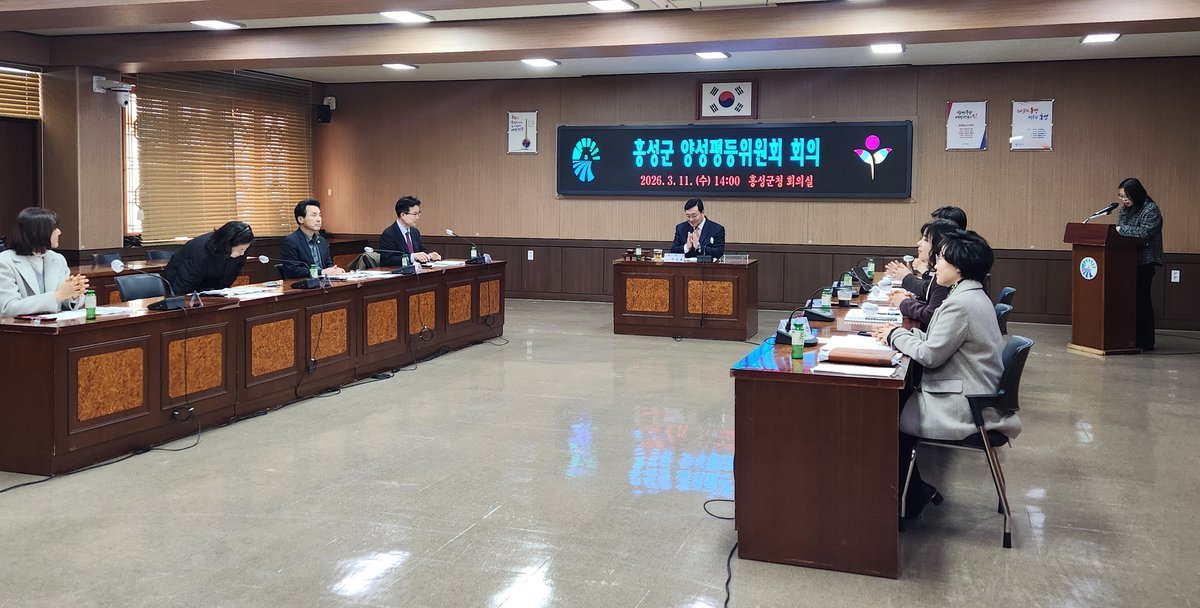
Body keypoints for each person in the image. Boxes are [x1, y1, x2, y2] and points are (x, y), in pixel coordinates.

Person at [873, 230, 1017, 519]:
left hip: (968, 404)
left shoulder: (961, 304)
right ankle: (914, 492)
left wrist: (894, 335)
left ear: (959, 267)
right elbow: (937, 341)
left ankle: (910, 499)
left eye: (941, 259)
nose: (935, 265)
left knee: (884, 416)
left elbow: (930, 355)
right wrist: (903, 333)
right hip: (973, 393)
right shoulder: (969, 295)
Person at [0, 207, 89, 317]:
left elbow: (63, 301)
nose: (59, 232)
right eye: (54, 228)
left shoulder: (57, 259)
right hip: (23, 326)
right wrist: (57, 295)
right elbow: (7, 308)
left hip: (54, 324)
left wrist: (73, 294)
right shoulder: (5, 261)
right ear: (39, 233)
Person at [1114, 177, 1164, 352]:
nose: (1123, 200)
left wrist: (1122, 230)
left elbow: (1144, 233)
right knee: (1127, 300)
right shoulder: (1125, 209)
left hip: (1145, 262)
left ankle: (1146, 341)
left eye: (1125, 196)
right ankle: (1129, 338)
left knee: (1142, 300)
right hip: (1126, 261)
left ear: (1135, 194)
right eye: (1120, 196)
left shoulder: (1151, 209)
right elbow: (1119, 229)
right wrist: (1120, 230)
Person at [889, 219, 958, 328]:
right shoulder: (941, 271)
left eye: (925, 239)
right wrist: (911, 302)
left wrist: (903, 302)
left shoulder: (946, 275)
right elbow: (935, 307)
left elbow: (931, 315)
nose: (919, 243)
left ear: (939, 245)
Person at [885, 206, 968, 291]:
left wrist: (909, 277)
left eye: (937, 222)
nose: (918, 243)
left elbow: (932, 292)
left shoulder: (956, 261)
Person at [160, 221, 255, 295]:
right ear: (227, 244)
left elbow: (230, 275)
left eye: (245, 249)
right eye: (240, 249)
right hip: (178, 287)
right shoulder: (199, 249)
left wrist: (220, 293)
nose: (242, 253)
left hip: (208, 291)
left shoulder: (240, 247)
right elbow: (184, 286)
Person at [280, 199, 345, 279]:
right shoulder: (291, 241)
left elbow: (328, 264)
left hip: (325, 282)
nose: (319, 219)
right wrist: (321, 272)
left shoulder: (322, 241)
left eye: (319, 215)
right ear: (301, 219)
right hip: (304, 284)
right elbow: (293, 270)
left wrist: (334, 270)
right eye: (314, 215)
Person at [379, 195, 442, 266]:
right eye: (415, 214)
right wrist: (411, 257)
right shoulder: (389, 234)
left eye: (418, 214)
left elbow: (421, 251)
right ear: (403, 215)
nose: (417, 218)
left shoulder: (414, 232)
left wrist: (429, 256)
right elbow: (387, 260)